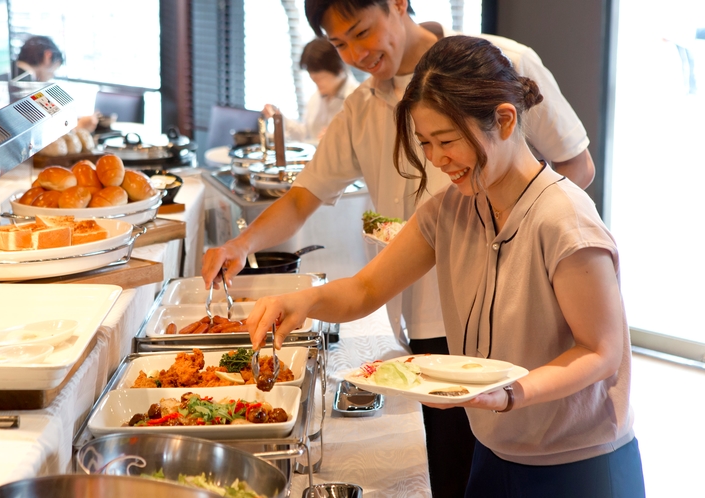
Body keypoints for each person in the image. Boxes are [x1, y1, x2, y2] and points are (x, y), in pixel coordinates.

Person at [202, 1, 595, 496]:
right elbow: (350, 262)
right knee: (458, 464)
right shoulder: (442, 204)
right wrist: (282, 284)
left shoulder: (557, 208)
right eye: (340, 44)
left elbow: (600, 352)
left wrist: (514, 235)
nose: (356, 53)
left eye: (362, 32)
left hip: (553, 410)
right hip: (445, 334)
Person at [262, 37, 360, 143]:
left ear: (340, 70)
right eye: (313, 80)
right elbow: (305, 135)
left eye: (320, 79)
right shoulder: (317, 97)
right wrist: (279, 118)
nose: (317, 85)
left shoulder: (359, 99)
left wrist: (339, 140)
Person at [13, 36, 98, 131]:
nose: (52, 75)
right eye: (55, 68)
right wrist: (79, 126)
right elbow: (43, 132)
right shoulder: (29, 87)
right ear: (47, 56)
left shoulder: (9, 77)